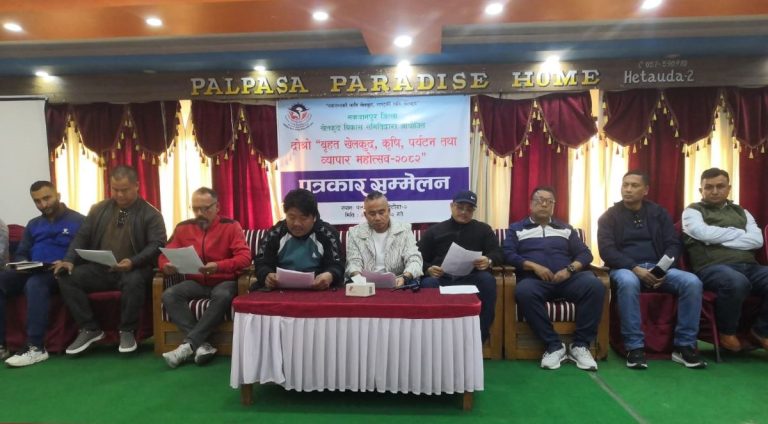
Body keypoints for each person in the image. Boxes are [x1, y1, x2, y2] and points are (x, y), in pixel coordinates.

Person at [598, 171, 705, 369]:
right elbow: (607, 251)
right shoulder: (609, 217)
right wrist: (634, 268)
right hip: (625, 269)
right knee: (628, 282)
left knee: (692, 282)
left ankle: (684, 346)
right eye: (625, 185)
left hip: (658, 268)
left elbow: (673, 244)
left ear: (645, 190)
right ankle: (634, 347)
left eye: (634, 185)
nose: (628, 189)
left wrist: (661, 270)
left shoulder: (658, 213)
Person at [54, 165, 167, 355]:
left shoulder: (151, 214)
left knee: (134, 280)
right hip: (102, 269)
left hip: (135, 269)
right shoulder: (98, 209)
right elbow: (82, 236)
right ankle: (89, 328)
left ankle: (127, 330)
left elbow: (156, 245)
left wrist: (133, 261)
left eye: (125, 190)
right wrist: (69, 260)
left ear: (137, 186)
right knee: (66, 277)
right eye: (115, 189)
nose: (119, 195)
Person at [504, 186, 605, 371]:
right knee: (523, 291)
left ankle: (580, 345)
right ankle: (554, 345)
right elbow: (508, 254)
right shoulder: (516, 229)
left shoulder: (566, 229)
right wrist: (534, 266)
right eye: (539, 200)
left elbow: (585, 254)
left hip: (567, 279)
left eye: (549, 201)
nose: (544, 204)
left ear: (553, 205)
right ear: (530, 204)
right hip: (535, 281)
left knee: (595, 285)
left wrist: (569, 269)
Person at [158, 187, 251, 368]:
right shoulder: (183, 228)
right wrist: (166, 266)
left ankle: (188, 345)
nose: (200, 213)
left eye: (205, 208)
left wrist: (219, 266)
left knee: (223, 294)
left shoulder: (231, 226)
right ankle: (201, 345)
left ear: (217, 207)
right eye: (195, 209)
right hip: (195, 281)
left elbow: (245, 257)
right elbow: (164, 255)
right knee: (170, 294)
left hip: (224, 280)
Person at [682, 167, 768, 352]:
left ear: (729, 188)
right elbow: (703, 233)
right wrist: (739, 234)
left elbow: (757, 240)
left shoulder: (742, 212)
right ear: (701, 190)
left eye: (720, 186)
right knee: (736, 282)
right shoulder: (692, 211)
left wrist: (716, 238)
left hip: (750, 266)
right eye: (709, 187)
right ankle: (727, 332)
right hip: (712, 267)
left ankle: (761, 331)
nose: (714, 191)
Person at [0, 182, 85, 366]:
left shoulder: (79, 220)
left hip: (60, 272)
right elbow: (22, 252)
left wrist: (66, 261)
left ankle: (36, 347)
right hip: (32, 269)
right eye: (37, 201)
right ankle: (1, 345)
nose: (43, 204)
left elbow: (83, 252)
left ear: (58, 196)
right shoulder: (33, 224)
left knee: (35, 284)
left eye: (47, 198)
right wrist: (23, 263)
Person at [418, 190, 502, 343]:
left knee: (487, 280)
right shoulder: (435, 231)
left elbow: (498, 253)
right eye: (460, 207)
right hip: (442, 277)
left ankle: (480, 337)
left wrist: (488, 260)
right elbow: (416, 257)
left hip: (471, 276)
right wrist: (428, 268)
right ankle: (434, 338)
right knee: (428, 283)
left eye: (469, 209)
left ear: (473, 211)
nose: (464, 212)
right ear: (451, 206)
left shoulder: (483, 230)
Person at [253, 188, 344, 290]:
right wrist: (266, 275)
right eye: (291, 217)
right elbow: (261, 262)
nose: (296, 223)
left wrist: (330, 275)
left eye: (303, 218)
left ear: (314, 217)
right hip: (279, 289)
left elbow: (337, 264)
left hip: (318, 289)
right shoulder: (275, 233)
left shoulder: (327, 234)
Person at [346, 191, 422, 287]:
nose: (377, 218)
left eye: (381, 212)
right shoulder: (355, 233)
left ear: (389, 211)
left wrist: (405, 278)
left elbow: (414, 259)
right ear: (365, 215)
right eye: (372, 214)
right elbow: (353, 263)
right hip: (364, 284)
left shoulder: (404, 230)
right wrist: (359, 281)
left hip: (398, 283)